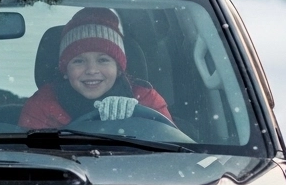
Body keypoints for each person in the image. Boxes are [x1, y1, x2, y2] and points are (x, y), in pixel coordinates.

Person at [18, 7, 172, 129]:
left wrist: (135, 119)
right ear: (65, 71)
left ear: (119, 69)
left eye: (103, 60)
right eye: (79, 61)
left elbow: (170, 147)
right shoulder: (42, 106)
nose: (91, 70)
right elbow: (32, 158)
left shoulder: (146, 100)